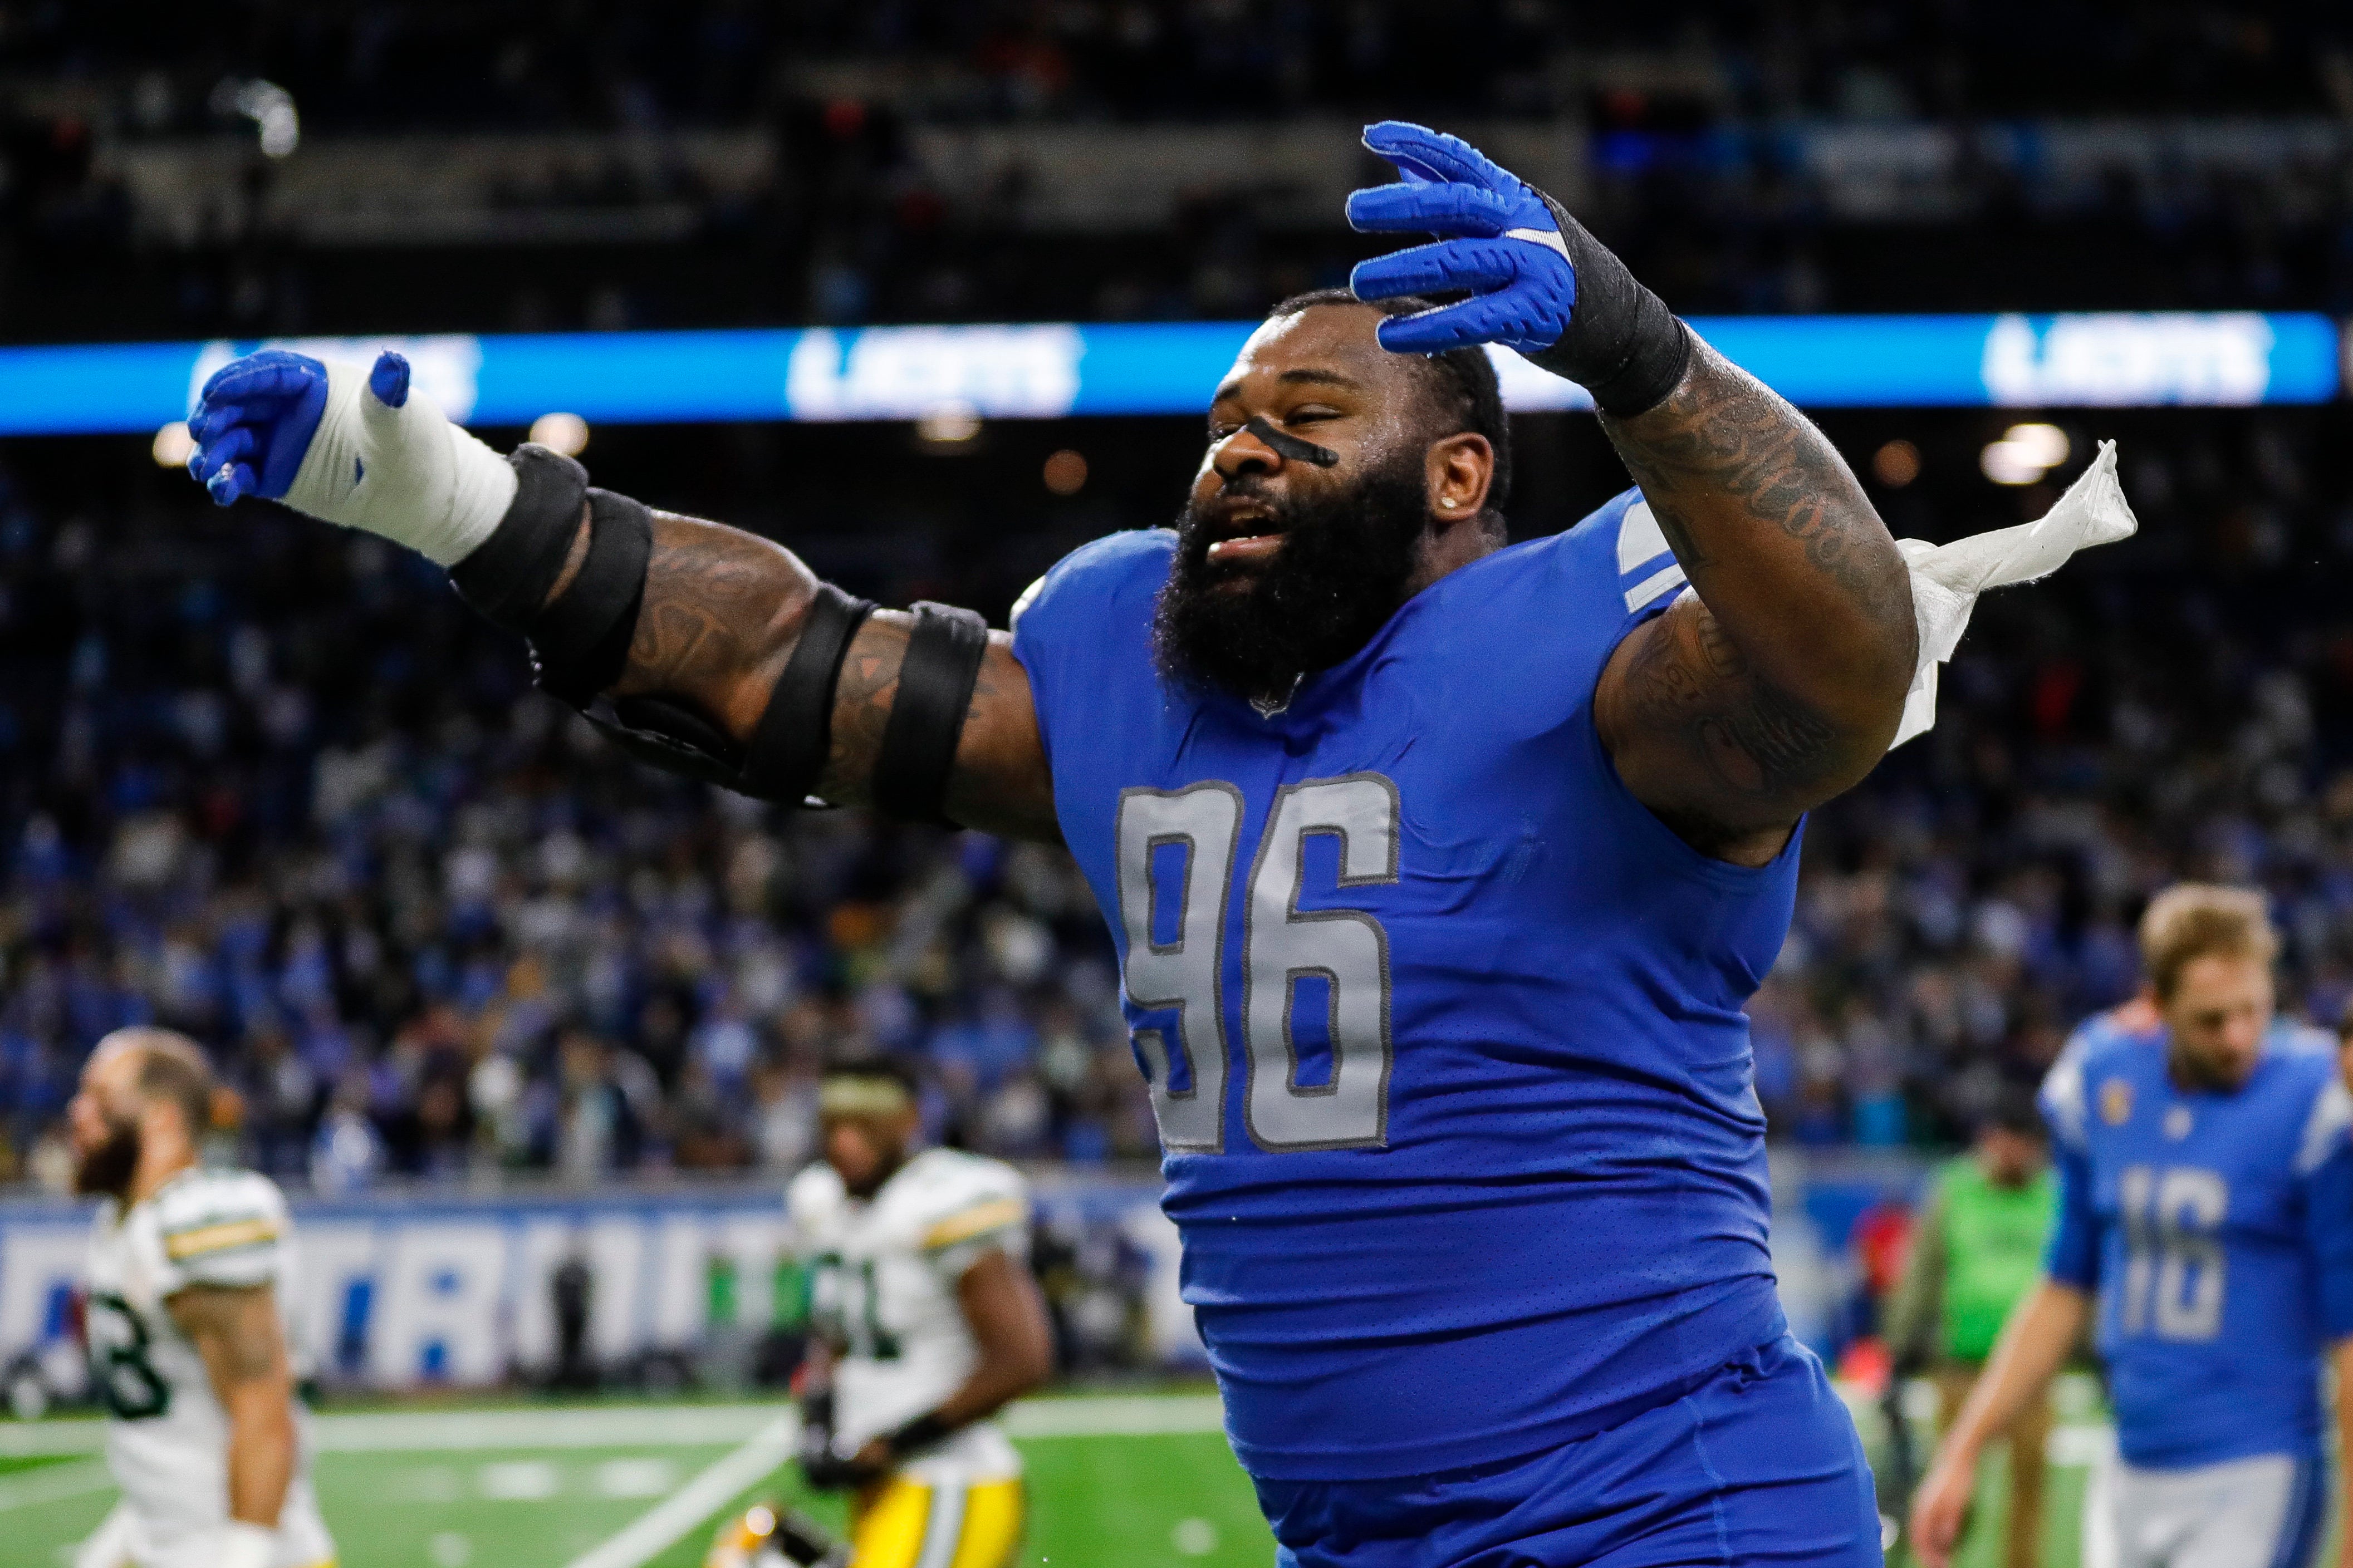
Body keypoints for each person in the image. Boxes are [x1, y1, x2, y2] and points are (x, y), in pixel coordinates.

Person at [180, 120, 2116, 1565]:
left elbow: (1838, 668)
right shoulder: (1121, 650)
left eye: (1303, 414)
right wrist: (425, 485)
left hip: (1663, 1514)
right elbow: (787, 669)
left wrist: (1635, 351)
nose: (1237, 450)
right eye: (1217, 423)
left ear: (1460, 475)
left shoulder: (1585, 647)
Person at [1910, 886, 2353, 1568]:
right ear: (2156, 1003)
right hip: (2129, 1468)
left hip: (2257, 1469)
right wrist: (1962, 1450)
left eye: (2252, 1012)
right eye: (2209, 1019)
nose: (2236, 1037)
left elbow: (2347, 1341)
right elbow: (2062, 1287)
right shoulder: (2104, 1072)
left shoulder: (2315, 1097)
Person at [707, 1056, 1053, 1568]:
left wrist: (893, 1443)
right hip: (880, 1492)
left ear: (906, 1121)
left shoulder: (944, 1198)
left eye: (864, 1125)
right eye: (834, 1126)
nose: (846, 1141)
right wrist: (819, 1420)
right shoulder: (820, 1200)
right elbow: (832, 1333)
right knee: (745, 1553)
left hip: (949, 1481)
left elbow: (1022, 1360)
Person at [66, 1028, 336, 1568]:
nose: (78, 1114)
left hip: (230, 1546)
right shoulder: (123, 1223)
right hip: (165, 1537)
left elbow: (262, 1407)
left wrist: (246, 1553)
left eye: (101, 1099)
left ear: (162, 1117)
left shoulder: (197, 1221)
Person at [1883, 1092, 2057, 1568]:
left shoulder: (2055, 1194)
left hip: (2032, 1371)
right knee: (1954, 1490)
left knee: (2030, 1486)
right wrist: (1900, 1345)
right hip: (1961, 1360)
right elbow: (1923, 1270)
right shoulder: (1955, 1189)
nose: (2014, 1154)